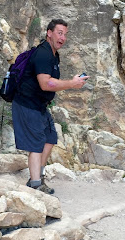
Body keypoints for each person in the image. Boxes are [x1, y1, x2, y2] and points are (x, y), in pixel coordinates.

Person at [12, 18, 89, 194]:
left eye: (65, 34)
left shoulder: (53, 55)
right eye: (59, 33)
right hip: (26, 103)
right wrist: (72, 83)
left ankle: (38, 177)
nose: (63, 38)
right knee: (36, 143)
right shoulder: (43, 54)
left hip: (39, 105)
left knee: (50, 138)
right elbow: (46, 84)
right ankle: (35, 184)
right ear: (49, 33)